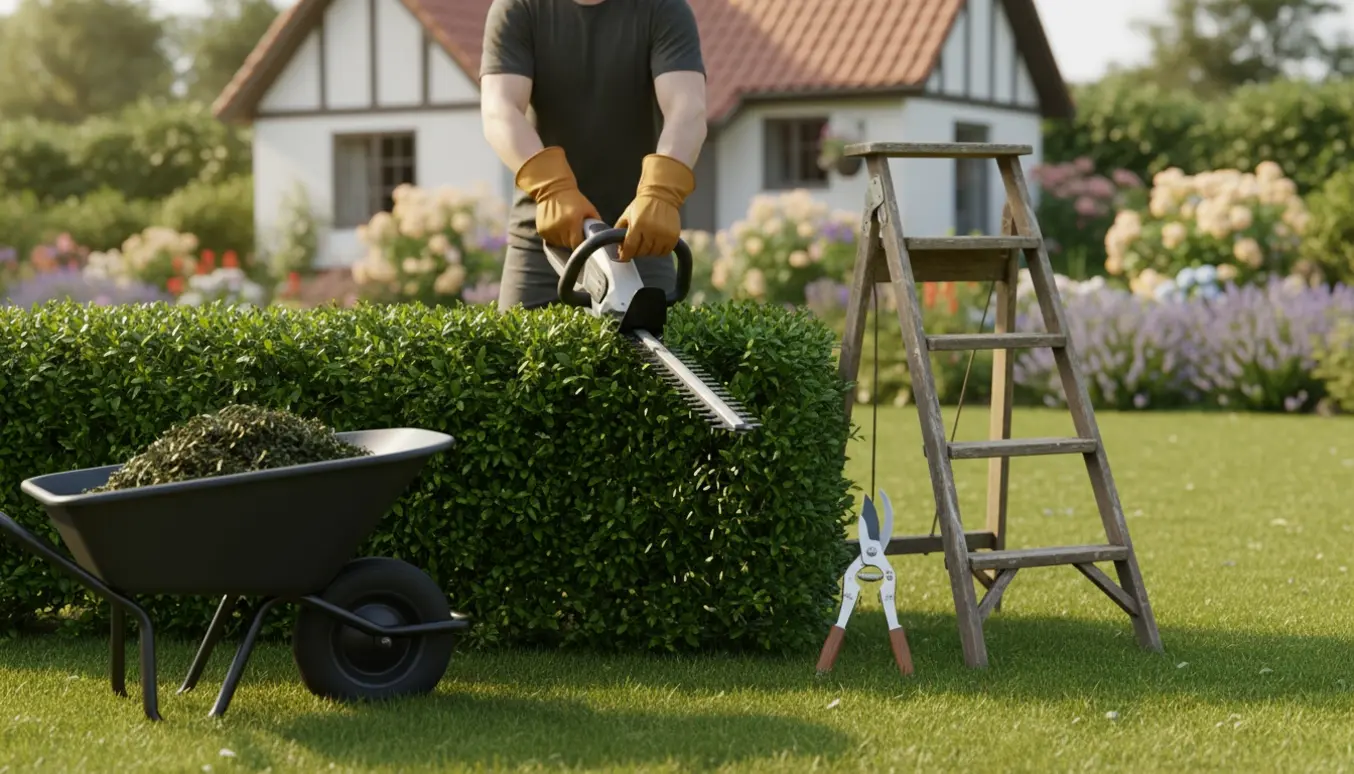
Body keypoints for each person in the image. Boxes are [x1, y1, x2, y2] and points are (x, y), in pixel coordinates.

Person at [478, 0, 708, 311]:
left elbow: (687, 109)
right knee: (513, 358)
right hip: (546, 239)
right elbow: (499, 109)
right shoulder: (519, 7)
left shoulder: (664, 8)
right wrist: (552, 187)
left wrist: (661, 192)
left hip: (639, 235)